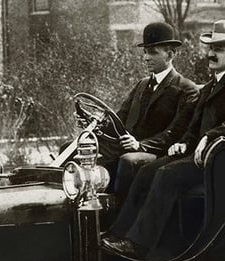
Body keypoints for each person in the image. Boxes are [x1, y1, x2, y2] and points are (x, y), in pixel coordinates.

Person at [101, 20, 225, 258]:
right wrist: (184, 142)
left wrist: (210, 136)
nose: (210, 54)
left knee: (167, 175)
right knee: (147, 170)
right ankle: (118, 233)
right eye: (210, 48)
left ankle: (140, 244)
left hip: (220, 159)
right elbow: (192, 125)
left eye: (217, 49)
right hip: (197, 154)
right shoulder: (209, 87)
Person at [80, 22, 198, 197]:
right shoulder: (142, 85)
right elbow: (119, 118)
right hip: (127, 145)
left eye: (153, 52)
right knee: (78, 149)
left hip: (155, 152)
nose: (146, 58)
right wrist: (93, 125)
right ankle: (76, 208)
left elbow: (174, 133)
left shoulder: (186, 89)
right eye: (145, 52)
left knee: (128, 161)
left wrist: (140, 145)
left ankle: (118, 214)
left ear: (170, 55)